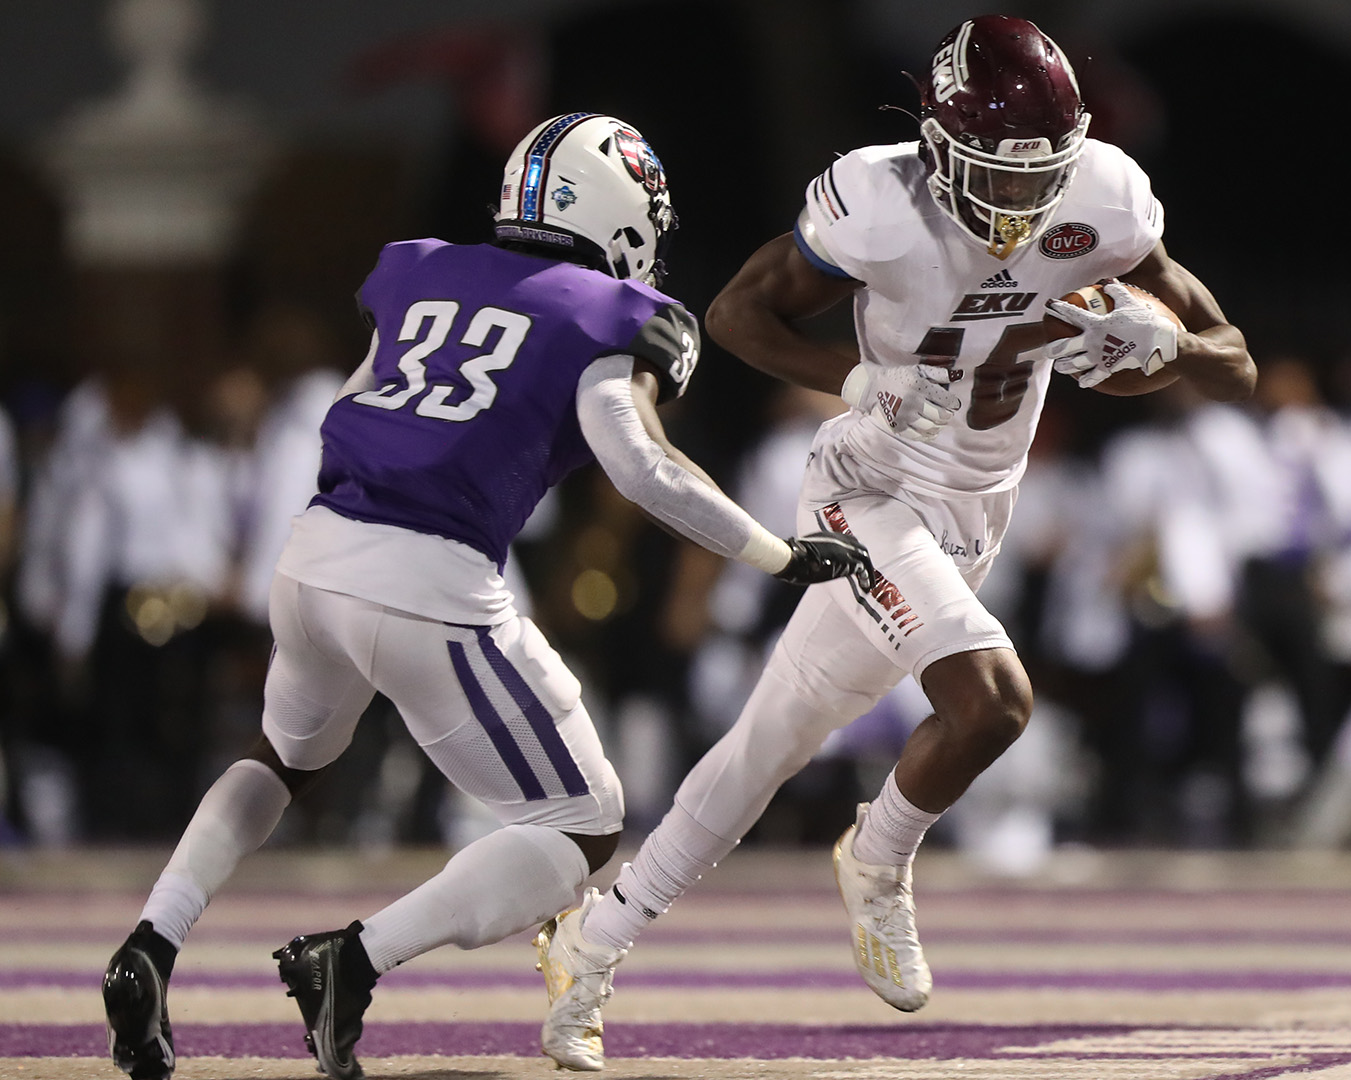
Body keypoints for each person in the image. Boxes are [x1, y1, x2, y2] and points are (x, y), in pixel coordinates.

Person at [532, 15, 1254, 1071]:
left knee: (763, 749)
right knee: (994, 700)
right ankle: (879, 857)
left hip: (972, 517)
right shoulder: (882, 200)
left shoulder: (1100, 196)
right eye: (994, 178)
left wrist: (1172, 344)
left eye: (1037, 178)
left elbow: (1233, 360)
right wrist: (856, 376)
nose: (1016, 203)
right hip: (865, 488)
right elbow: (734, 314)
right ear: (936, 144)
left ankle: (589, 947)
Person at [99, 112, 875, 1080]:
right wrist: (777, 554)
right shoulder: (603, 309)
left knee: (283, 759)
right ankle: (351, 960)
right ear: (618, 209)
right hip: (429, 573)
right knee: (582, 824)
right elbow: (642, 467)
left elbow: (350, 407)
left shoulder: (424, 269)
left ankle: (152, 944)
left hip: (316, 550)